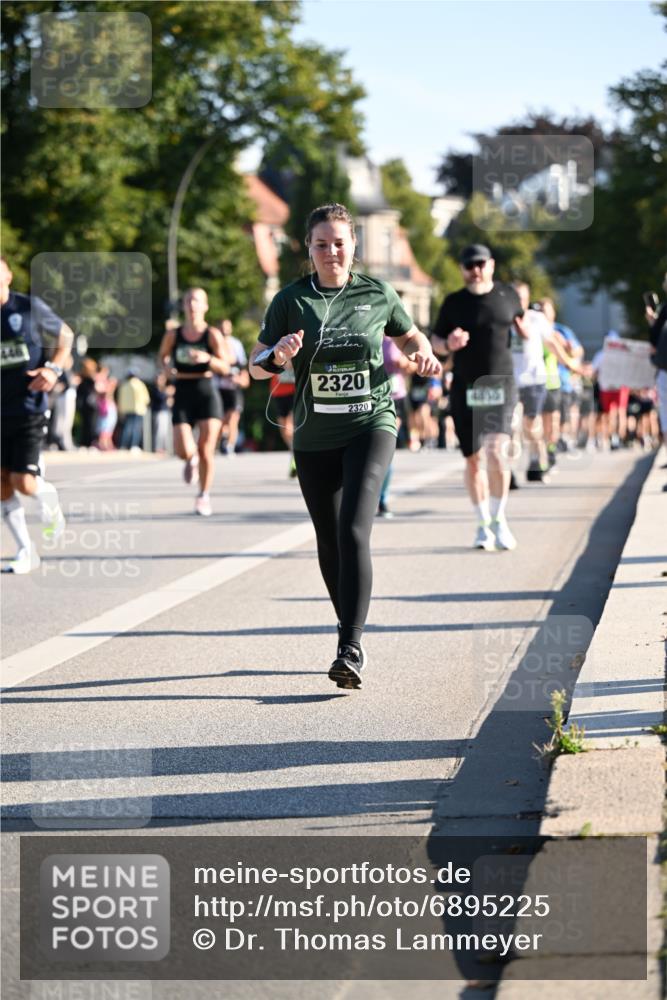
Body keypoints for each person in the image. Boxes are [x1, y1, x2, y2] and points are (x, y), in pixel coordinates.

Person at [249, 202, 441, 690]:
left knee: (354, 528)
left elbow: (411, 336)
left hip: (370, 424)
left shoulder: (377, 293)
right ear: (307, 249)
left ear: (353, 246)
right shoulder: (291, 301)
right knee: (329, 540)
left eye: (339, 243)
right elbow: (254, 366)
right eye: (321, 244)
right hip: (315, 437)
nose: (331, 251)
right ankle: (348, 626)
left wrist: (423, 356)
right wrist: (277, 356)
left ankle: (349, 646)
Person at [432, 244, 524, 551]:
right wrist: (449, 343)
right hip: (466, 387)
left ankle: (500, 519)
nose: (476, 270)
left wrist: (527, 334)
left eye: (481, 264)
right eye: (470, 265)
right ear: (462, 269)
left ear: (492, 265)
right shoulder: (453, 303)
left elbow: (525, 325)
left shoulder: (508, 296)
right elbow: (435, 341)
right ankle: (483, 523)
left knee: (497, 451)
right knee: (473, 460)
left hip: (502, 385)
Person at [1, 256, 72, 573]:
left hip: (28, 408)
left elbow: (65, 335)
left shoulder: (27, 307)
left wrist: (54, 369)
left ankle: (49, 498)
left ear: (8, 276)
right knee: (1, 485)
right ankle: (26, 550)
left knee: (24, 483)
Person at [157, 287, 232, 516]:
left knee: (206, 448)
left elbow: (226, 366)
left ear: (205, 307)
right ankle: (191, 460)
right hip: (182, 389)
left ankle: (203, 496)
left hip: (207, 389)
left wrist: (207, 358)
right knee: (183, 448)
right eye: (188, 300)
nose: (191, 305)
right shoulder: (173, 334)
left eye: (197, 301)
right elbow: (162, 358)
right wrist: (167, 368)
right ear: (183, 306)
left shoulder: (211, 335)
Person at [215, 318, 249, 456]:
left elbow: (242, 365)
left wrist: (240, 378)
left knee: (234, 417)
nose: (224, 329)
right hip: (219, 387)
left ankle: (230, 445)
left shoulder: (236, 344)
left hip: (234, 387)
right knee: (221, 420)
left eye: (227, 327)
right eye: (222, 327)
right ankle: (221, 441)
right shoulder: (215, 342)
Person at [117, 368, 150, 450]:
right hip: (138, 409)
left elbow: (120, 398)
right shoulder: (139, 384)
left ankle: (123, 445)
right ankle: (133, 445)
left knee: (126, 428)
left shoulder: (124, 385)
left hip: (126, 409)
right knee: (136, 428)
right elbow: (146, 398)